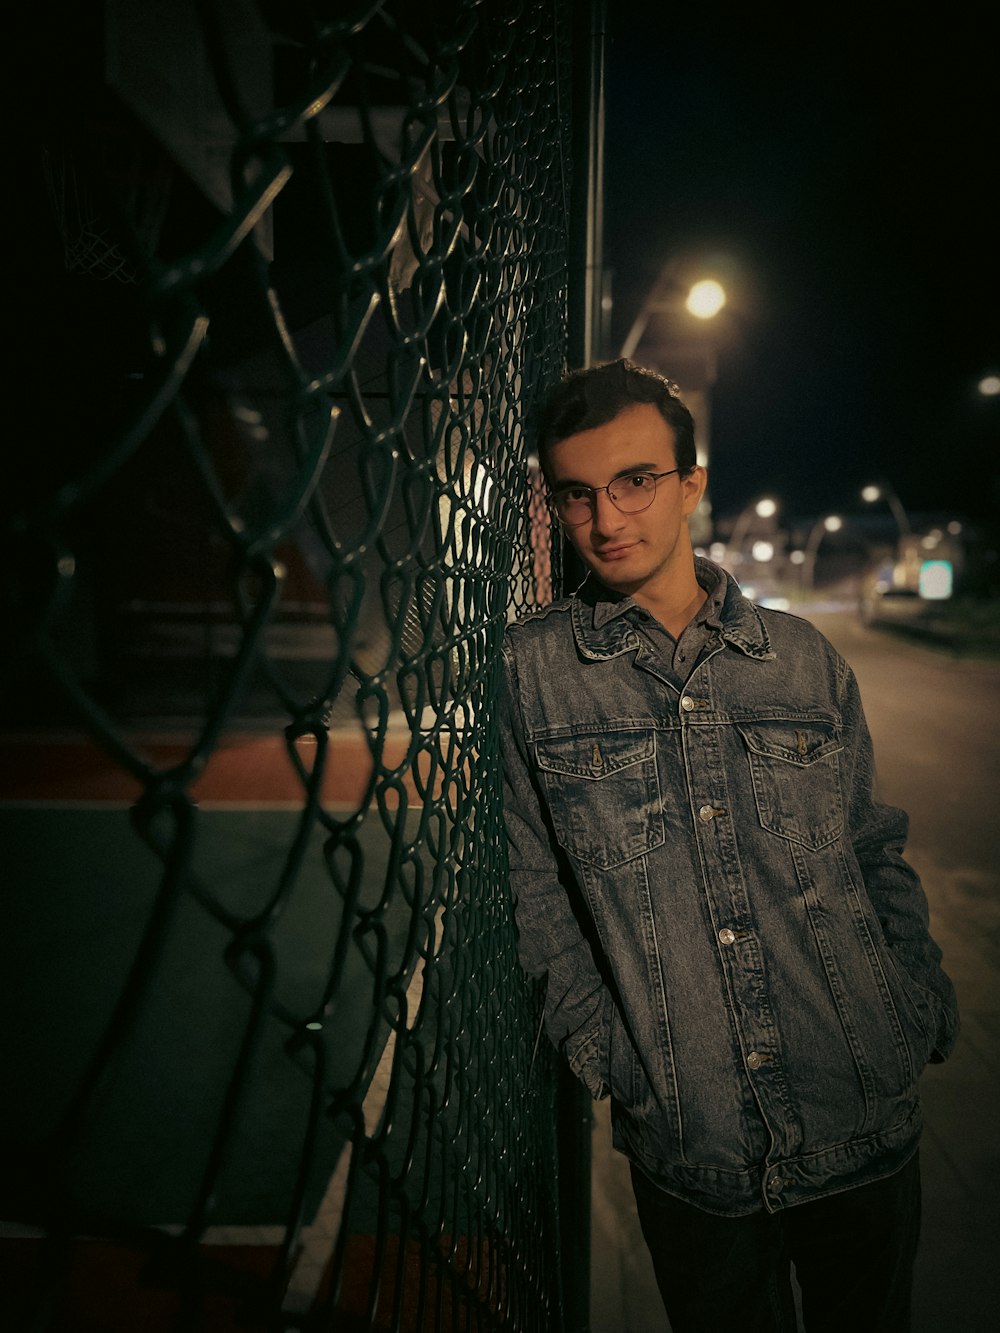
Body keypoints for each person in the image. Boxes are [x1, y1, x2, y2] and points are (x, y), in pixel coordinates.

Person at [499, 359, 959, 1332]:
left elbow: (874, 848)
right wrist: (623, 1063)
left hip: (862, 1113)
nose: (607, 518)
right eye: (575, 494)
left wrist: (913, 999)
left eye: (635, 480)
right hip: (693, 1147)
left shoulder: (802, 659)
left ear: (691, 484)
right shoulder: (532, 674)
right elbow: (535, 896)